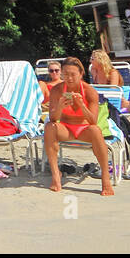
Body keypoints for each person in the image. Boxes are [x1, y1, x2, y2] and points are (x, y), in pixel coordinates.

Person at [44, 57, 114, 197]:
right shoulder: (57, 90)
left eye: (73, 75)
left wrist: (82, 105)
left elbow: (93, 121)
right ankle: (56, 175)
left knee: (95, 130)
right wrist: (60, 107)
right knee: (49, 127)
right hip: (66, 128)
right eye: (65, 74)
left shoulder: (89, 91)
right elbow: (53, 118)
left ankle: (105, 177)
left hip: (84, 129)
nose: (69, 78)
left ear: (81, 74)